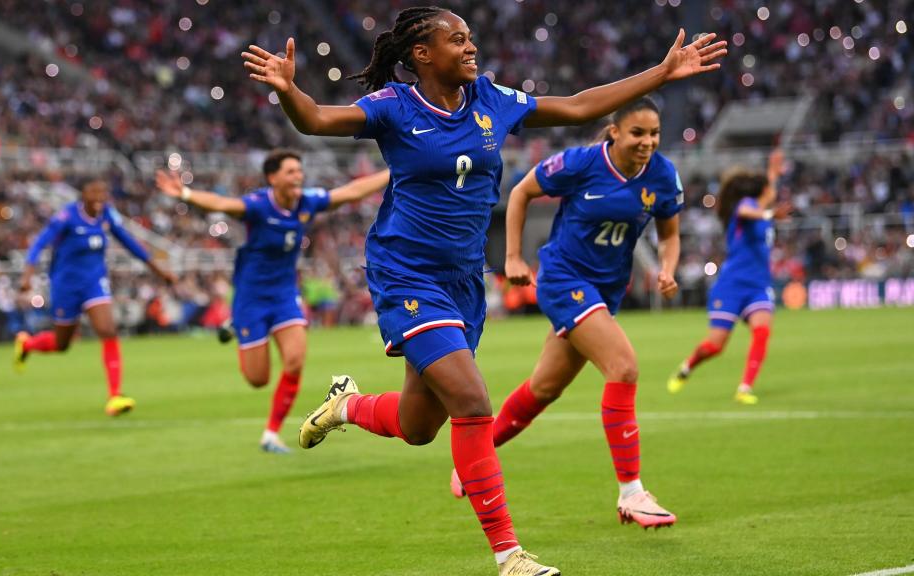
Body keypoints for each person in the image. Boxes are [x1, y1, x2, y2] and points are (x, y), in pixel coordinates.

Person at [242, 7, 725, 574]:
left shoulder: (491, 100)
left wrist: (660, 73)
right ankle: (509, 554)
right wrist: (287, 91)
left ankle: (345, 404)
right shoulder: (395, 107)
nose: (471, 48)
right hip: (406, 274)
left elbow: (576, 107)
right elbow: (319, 121)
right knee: (473, 403)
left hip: (465, 280)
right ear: (422, 54)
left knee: (420, 427)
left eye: (471, 38)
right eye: (457, 40)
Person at [448, 97, 683, 531]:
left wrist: (667, 269)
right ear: (614, 131)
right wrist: (514, 256)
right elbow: (521, 192)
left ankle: (471, 458)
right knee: (624, 367)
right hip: (563, 280)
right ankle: (632, 492)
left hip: (606, 290)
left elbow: (670, 233)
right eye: (637, 133)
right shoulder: (580, 164)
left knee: (544, 388)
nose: (647, 142)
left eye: (654, 134)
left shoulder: (663, 176)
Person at [155, 151, 389, 453]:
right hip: (251, 298)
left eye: (299, 171)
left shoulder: (306, 201)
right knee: (258, 379)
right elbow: (224, 204)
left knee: (295, 359)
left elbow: (350, 192)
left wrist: (392, 171)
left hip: (284, 295)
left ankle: (271, 434)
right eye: (291, 172)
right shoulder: (258, 205)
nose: (298, 177)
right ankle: (237, 324)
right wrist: (185, 193)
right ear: (273, 178)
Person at [14, 179, 175, 416]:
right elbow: (39, 244)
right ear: (83, 195)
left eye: (103, 192)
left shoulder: (107, 215)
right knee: (62, 344)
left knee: (108, 330)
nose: (99, 197)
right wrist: (27, 275)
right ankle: (27, 343)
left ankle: (115, 396)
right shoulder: (67, 217)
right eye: (94, 192)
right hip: (66, 286)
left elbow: (130, 243)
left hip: (94, 283)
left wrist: (159, 270)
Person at [667, 150, 787, 405]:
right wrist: (769, 213)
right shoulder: (748, 207)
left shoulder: (762, 203)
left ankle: (744, 388)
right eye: (769, 188)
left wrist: (773, 173)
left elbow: (768, 193)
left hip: (757, 286)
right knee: (716, 345)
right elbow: (747, 211)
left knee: (762, 331)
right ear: (762, 192)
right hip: (731, 286)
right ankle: (688, 366)